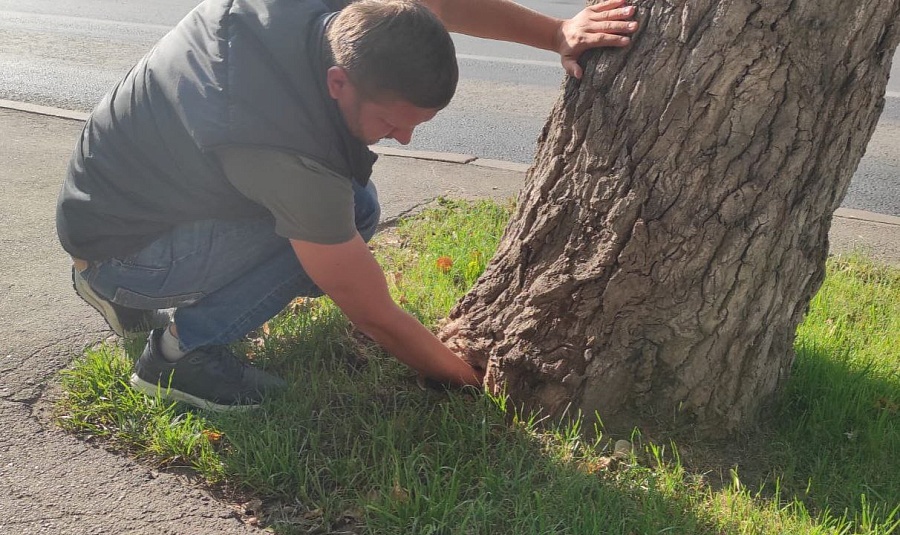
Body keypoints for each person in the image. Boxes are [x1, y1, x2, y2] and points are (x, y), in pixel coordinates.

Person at [57, 0, 638, 411]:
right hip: (126, 252)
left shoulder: (352, 17)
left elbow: (445, 4)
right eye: (391, 122)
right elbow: (371, 312)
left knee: (341, 207)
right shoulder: (285, 149)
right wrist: (467, 379)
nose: (404, 139)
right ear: (339, 82)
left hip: (110, 204)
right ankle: (178, 354)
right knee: (349, 215)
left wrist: (560, 31)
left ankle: (122, 293)